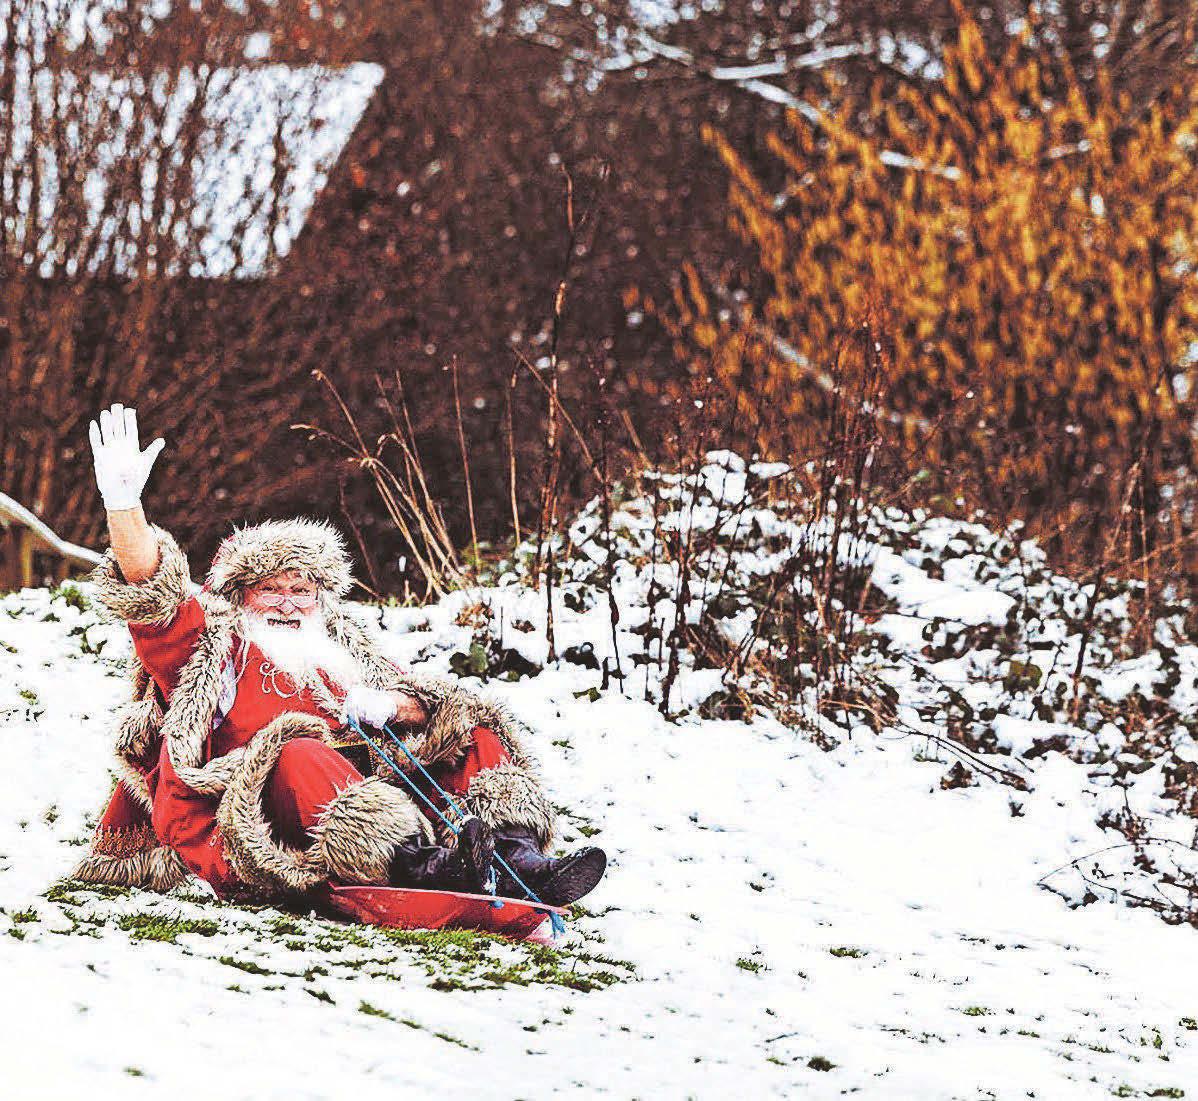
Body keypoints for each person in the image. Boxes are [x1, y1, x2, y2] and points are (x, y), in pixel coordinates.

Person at [73, 403, 606, 907]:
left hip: (377, 786)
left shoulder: (340, 645)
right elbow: (152, 600)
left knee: (478, 735)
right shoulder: (216, 644)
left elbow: (429, 708)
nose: (287, 603)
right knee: (297, 749)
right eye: (269, 589)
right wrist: (125, 507)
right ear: (240, 595)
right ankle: (421, 866)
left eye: (301, 590)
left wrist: (394, 707)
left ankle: (521, 858)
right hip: (270, 813)